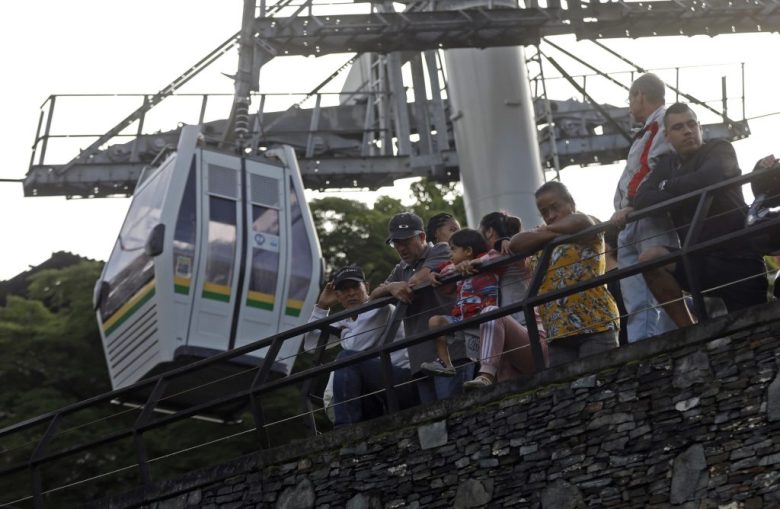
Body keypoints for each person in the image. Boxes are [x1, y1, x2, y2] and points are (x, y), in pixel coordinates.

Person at [633, 102, 768, 326]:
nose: (687, 131)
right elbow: (642, 199)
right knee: (650, 259)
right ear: (667, 136)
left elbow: (710, 177)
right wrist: (688, 187)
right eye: (678, 127)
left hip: (739, 260)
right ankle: (689, 331)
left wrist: (665, 186)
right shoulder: (667, 164)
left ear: (700, 127)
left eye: (691, 124)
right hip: (697, 259)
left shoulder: (720, 149)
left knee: (757, 334)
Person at [509, 181, 620, 367]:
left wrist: (544, 232)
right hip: (557, 331)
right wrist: (551, 232)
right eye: (544, 212)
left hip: (594, 324)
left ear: (570, 203)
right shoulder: (546, 232)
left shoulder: (585, 221)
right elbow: (515, 244)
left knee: (599, 384)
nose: (550, 216)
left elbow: (581, 222)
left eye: (555, 207)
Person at [370, 212, 475, 403]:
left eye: (406, 241)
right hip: (419, 359)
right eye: (396, 243)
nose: (401, 247)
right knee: (432, 422)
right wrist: (392, 287)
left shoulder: (442, 249)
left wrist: (395, 286)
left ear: (422, 237)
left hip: (453, 353)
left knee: (455, 413)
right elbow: (373, 296)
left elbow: (419, 279)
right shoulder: (400, 269)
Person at [302, 265, 418, 427]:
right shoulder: (347, 320)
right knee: (347, 362)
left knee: (346, 358)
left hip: (404, 383)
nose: (351, 294)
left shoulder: (380, 308)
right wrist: (322, 307)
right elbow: (311, 345)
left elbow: (356, 348)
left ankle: (345, 431)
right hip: (378, 391)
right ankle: (352, 432)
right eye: (343, 289)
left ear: (367, 287)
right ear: (337, 295)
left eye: (355, 287)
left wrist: (342, 331)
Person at [610, 73, 679, 342]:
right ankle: (645, 342)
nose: (630, 105)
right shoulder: (649, 128)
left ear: (640, 95)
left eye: (630, 98)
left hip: (644, 216)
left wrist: (631, 203)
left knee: (650, 285)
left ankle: (657, 342)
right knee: (637, 292)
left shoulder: (661, 122)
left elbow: (655, 166)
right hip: (631, 217)